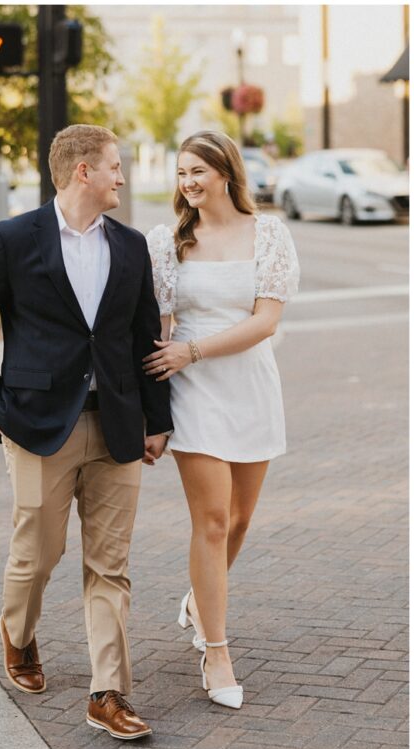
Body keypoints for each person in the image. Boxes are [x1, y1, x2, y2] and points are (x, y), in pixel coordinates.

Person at [0, 124, 172, 741]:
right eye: (114, 167)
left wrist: (158, 420)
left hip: (118, 426)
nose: (122, 178)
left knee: (111, 565)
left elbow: (143, 337)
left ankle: (109, 693)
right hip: (36, 424)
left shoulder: (131, 247)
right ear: (83, 172)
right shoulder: (13, 239)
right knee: (39, 553)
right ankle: (18, 634)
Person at [143, 130, 299, 710]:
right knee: (209, 521)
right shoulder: (168, 242)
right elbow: (161, 330)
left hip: (250, 386)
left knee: (238, 521)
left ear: (226, 173)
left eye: (197, 172)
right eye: (182, 173)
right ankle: (216, 650)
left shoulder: (269, 235)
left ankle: (196, 599)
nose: (187, 182)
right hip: (192, 392)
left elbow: (265, 323)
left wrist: (197, 349)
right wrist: (153, 411)